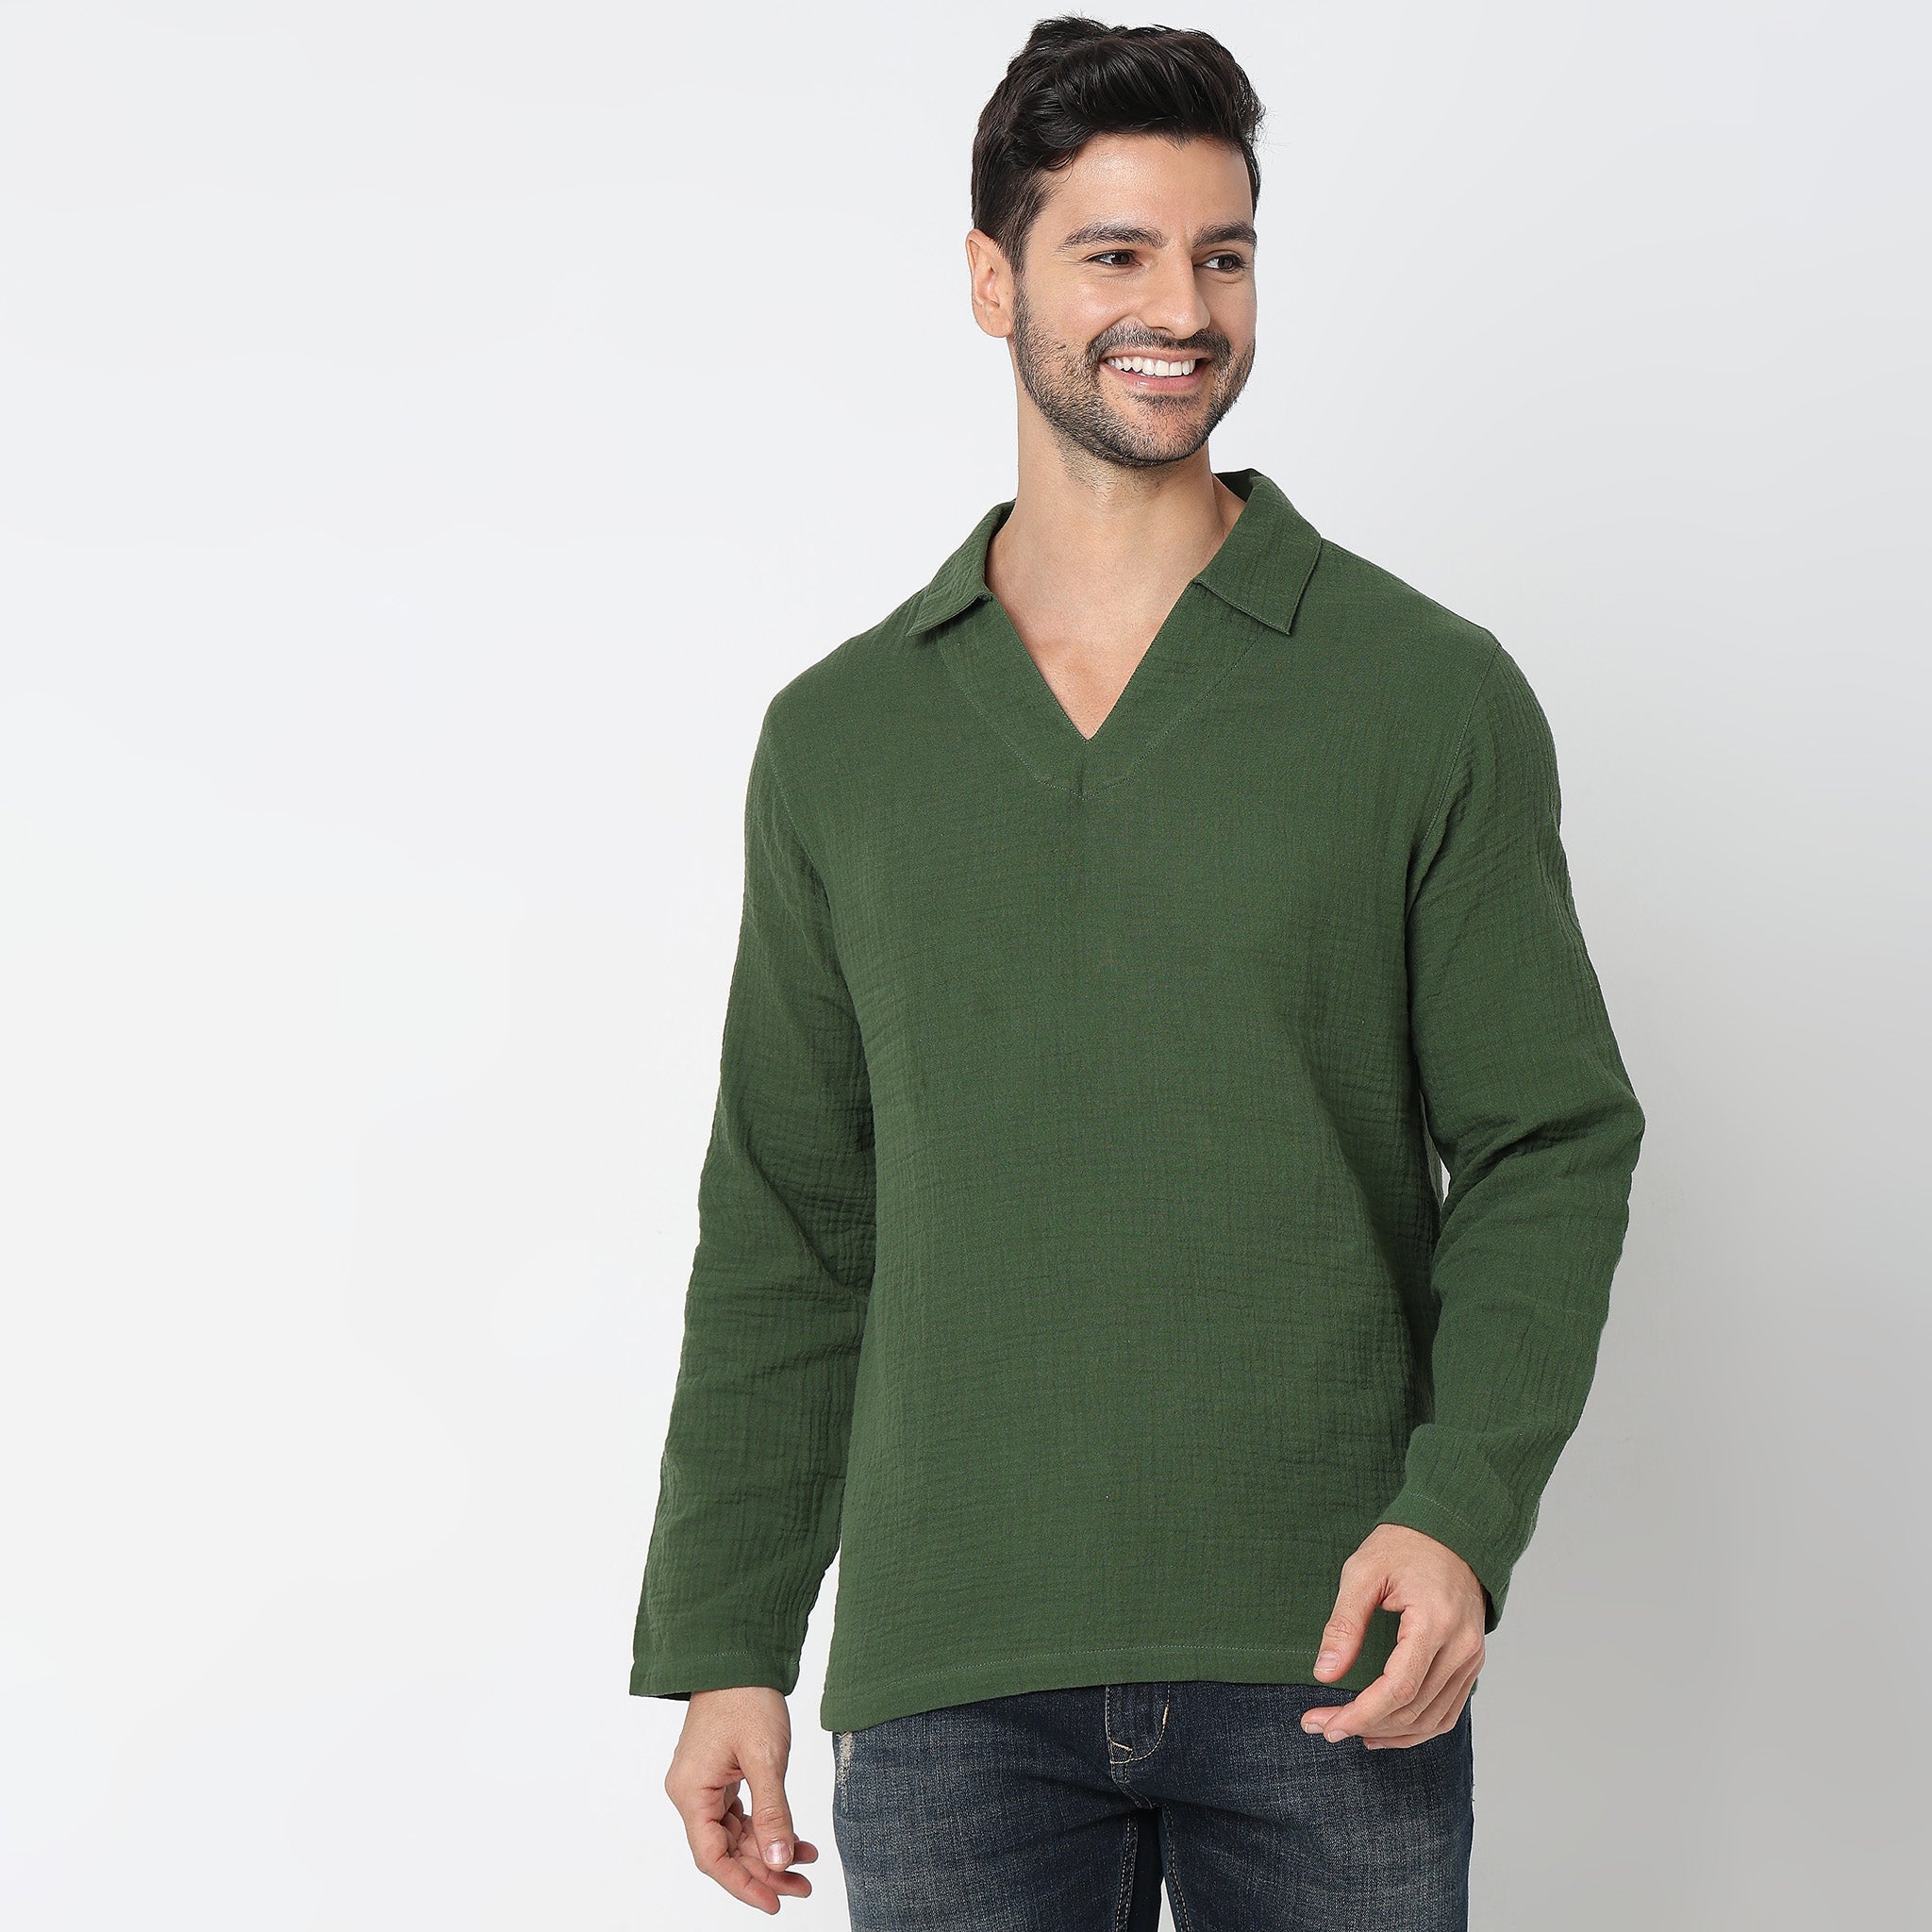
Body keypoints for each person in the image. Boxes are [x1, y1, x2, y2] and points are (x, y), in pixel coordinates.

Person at [631, 16, 1645, 1929]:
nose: (1180, 308)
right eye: (1116, 253)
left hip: (1328, 1642)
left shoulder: (1422, 694)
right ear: (991, 279)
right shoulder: (843, 739)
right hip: (950, 1670)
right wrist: (727, 1637)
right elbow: (789, 1213)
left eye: (1221, 253)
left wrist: (1459, 1515)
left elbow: (1549, 1141)